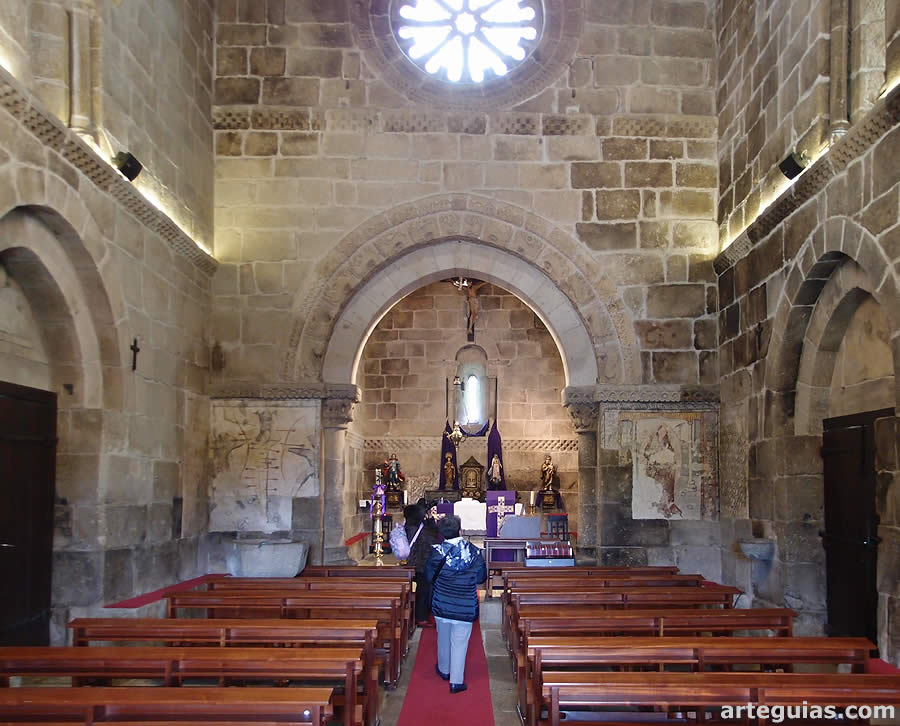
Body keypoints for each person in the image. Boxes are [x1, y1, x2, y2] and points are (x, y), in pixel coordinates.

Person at [425, 514, 487, 694]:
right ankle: (456, 681)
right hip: (465, 604)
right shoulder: (474, 552)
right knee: (459, 642)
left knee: (442, 637)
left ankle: (444, 670)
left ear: (442, 533)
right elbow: (481, 577)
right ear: (459, 529)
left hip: (441, 603)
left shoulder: (437, 552)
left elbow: (429, 577)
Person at [404, 503, 441, 627]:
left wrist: (429, 521)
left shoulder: (409, 526)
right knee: (424, 589)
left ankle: (424, 612)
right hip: (421, 563)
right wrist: (430, 522)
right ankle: (421, 617)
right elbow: (433, 539)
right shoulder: (420, 530)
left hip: (413, 562)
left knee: (424, 588)